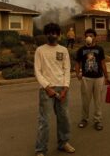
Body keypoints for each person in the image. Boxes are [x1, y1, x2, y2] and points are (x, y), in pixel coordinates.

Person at [34, 23, 74, 156]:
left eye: (55, 33)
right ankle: (40, 150)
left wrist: (66, 87)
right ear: (46, 34)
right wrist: (47, 87)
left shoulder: (63, 50)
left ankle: (63, 143)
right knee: (44, 121)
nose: (52, 35)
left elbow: (67, 69)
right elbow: (37, 71)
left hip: (62, 88)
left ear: (59, 34)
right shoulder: (40, 50)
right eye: (49, 32)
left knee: (64, 118)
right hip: (46, 90)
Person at [75, 28, 110, 131]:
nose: (88, 37)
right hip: (86, 79)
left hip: (99, 78)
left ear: (95, 37)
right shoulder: (81, 50)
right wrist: (77, 74)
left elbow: (103, 63)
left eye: (91, 35)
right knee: (85, 101)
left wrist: (107, 77)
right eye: (87, 36)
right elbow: (77, 63)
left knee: (98, 101)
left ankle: (98, 120)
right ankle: (84, 119)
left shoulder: (100, 49)